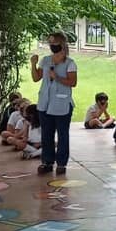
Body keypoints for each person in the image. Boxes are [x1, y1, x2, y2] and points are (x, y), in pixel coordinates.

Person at [31, 32, 78, 175]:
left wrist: (56, 77)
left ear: (62, 44)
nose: (52, 46)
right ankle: (47, 161)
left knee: (62, 134)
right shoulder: (45, 60)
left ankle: (62, 163)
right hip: (45, 102)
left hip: (62, 103)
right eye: (50, 43)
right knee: (46, 134)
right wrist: (33, 64)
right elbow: (36, 78)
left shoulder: (70, 63)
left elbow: (73, 82)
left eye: (55, 44)